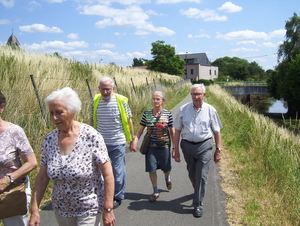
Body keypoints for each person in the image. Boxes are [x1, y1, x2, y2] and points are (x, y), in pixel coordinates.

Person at [29, 87, 116, 226]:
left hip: (89, 207)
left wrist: (108, 208)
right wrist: (34, 210)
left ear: (72, 111)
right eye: (51, 113)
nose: (54, 118)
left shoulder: (91, 136)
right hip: (61, 209)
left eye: (59, 112)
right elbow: (42, 177)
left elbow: (108, 175)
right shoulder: (49, 140)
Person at [173, 83, 222, 218]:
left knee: (201, 175)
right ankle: (198, 190)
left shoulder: (210, 110)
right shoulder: (183, 109)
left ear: (204, 95)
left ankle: (198, 204)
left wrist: (218, 149)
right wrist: (175, 149)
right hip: (187, 146)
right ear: (191, 95)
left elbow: (217, 131)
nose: (196, 96)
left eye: (198, 94)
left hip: (205, 145)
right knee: (192, 173)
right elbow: (177, 130)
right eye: (193, 94)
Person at [89, 77, 134, 209]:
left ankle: (118, 196)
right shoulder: (95, 101)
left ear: (113, 89)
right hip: (100, 144)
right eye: (103, 89)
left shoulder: (121, 101)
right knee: (100, 172)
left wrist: (131, 139)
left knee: (117, 171)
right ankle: (103, 194)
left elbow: (129, 120)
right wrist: (89, 139)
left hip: (118, 142)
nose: (105, 91)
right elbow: (91, 120)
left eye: (108, 89)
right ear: (99, 89)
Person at [0, 91, 38, 226]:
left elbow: (32, 162)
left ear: (2, 107)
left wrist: (8, 179)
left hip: (12, 191)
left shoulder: (14, 132)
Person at [131, 91, 175, 202]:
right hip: (151, 147)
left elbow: (172, 132)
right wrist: (135, 141)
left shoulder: (167, 114)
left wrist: (175, 148)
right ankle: (155, 191)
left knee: (166, 168)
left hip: (164, 146)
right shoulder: (147, 114)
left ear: (163, 101)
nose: (155, 101)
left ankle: (167, 177)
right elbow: (140, 130)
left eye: (158, 99)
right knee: (152, 169)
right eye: (154, 99)